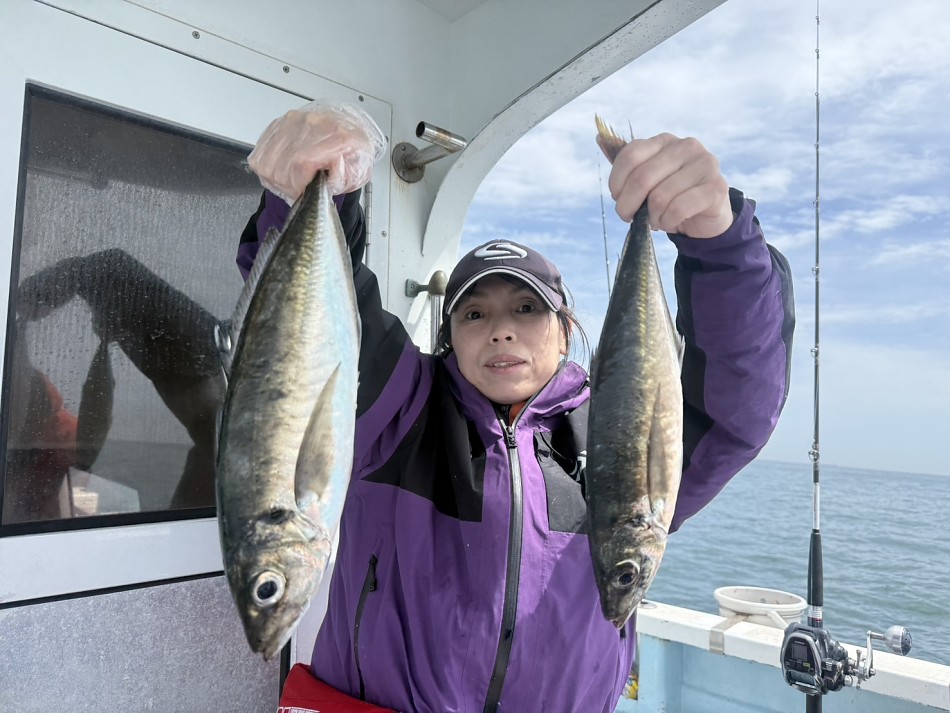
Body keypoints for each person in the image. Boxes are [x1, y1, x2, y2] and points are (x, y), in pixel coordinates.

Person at [238, 101, 794, 713]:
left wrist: (720, 244)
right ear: (451, 337)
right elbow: (306, 338)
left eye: (527, 309)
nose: (501, 330)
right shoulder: (398, 414)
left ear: (564, 331)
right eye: (475, 314)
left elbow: (736, 404)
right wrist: (310, 195)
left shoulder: (618, 437)